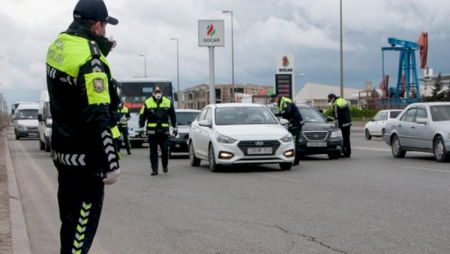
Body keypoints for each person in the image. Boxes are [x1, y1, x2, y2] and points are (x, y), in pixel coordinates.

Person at [45, 0, 120, 253]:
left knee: (69, 223)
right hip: (86, 162)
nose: (106, 32)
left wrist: (98, 48)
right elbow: (97, 115)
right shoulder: (91, 59)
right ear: (98, 25)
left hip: (63, 153)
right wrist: (110, 162)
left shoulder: (59, 43)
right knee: (80, 235)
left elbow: (71, 90)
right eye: (105, 28)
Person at [139, 86, 177, 175]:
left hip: (164, 131)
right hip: (152, 132)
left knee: (165, 149)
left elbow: (173, 115)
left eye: (159, 92)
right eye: (155, 92)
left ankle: (165, 165)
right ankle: (154, 169)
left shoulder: (167, 102)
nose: (157, 94)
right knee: (153, 151)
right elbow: (142, 116)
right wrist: (141, 128)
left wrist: (175, 127)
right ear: (152, 93)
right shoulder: (147, 103)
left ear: (161, 93)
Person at [270, 94, 304, 166]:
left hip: (296, 123)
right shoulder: (280, 102)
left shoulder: (284, 101)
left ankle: (295, 161)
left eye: (274, 100)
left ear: (277, 97)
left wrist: (276, 114)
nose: (274, 102)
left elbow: (287, 112)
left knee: (294, 143)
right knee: (293, 142)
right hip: (292, 124)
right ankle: (294, 160)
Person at [327, 93, 352, 157]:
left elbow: (337, 115)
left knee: (342, 138)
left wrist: (337, 125)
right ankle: (348, 152)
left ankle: (343, 151)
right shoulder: (342, 100)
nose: (331, 102)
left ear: (333, 98)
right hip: (348, 122)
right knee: (347, 138)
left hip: (342, 123)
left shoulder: (336, 103)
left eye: (330, 100)